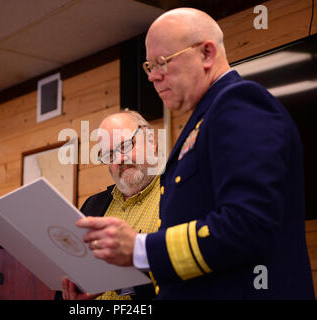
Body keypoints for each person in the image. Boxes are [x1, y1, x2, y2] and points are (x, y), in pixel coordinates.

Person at [75, 8, 315, 299]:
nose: (153, 77)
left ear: (207, 54)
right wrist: (106, 290)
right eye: (149, 67)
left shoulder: (239, 103)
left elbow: (248, 225)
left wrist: (139, 248)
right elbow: (193, 267)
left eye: (162, 62)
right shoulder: (203, 120)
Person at [60, 110, 161, 300]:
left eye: (126, 145)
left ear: (151, 142)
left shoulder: (177, 195)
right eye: (109, 154)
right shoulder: (92, 206)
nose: (120, 159)